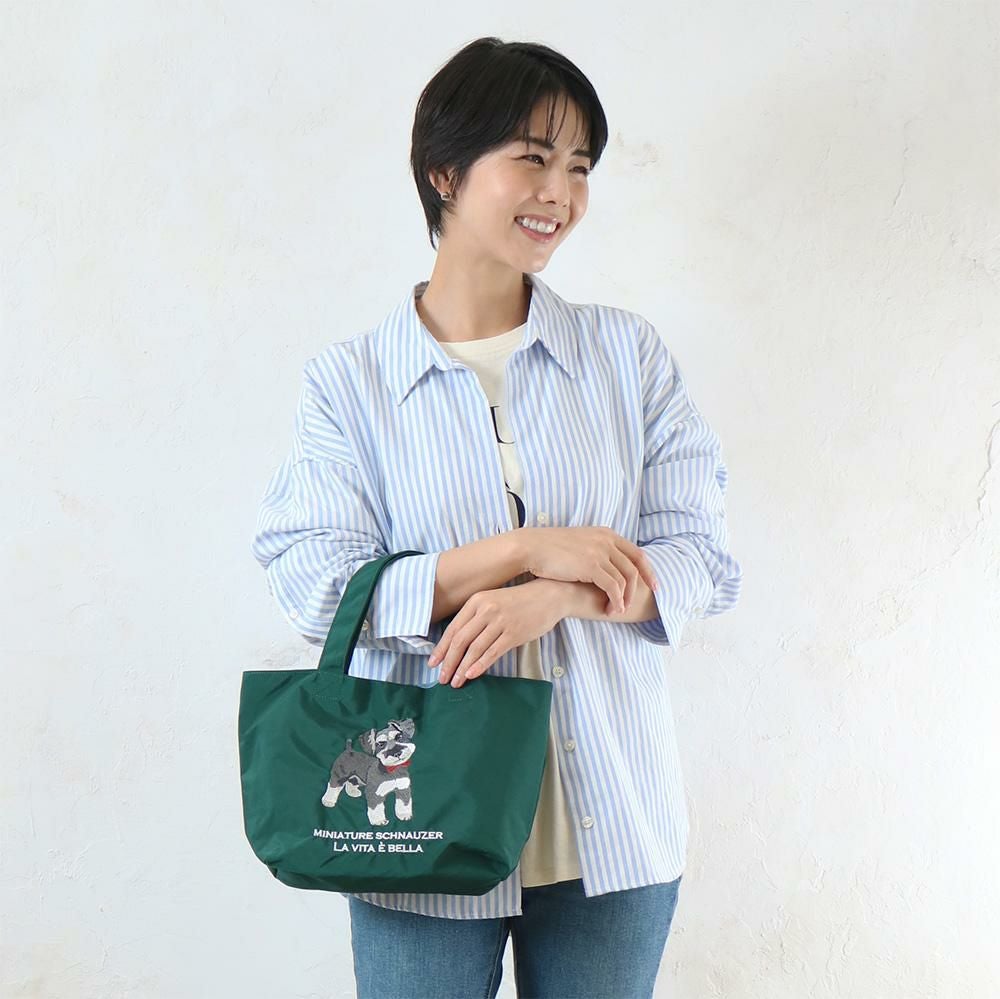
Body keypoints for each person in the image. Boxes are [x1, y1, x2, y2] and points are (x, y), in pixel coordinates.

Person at [250, 36, 743, 999]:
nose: (560, 192)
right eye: (532, 157)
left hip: (611, 823)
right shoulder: (349, 383)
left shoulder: (625, 356)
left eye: (580, 166)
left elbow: (702, 558)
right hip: (415, 827)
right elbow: (318, 586)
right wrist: (519, 549)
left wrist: (556, 595)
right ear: (445, 172)